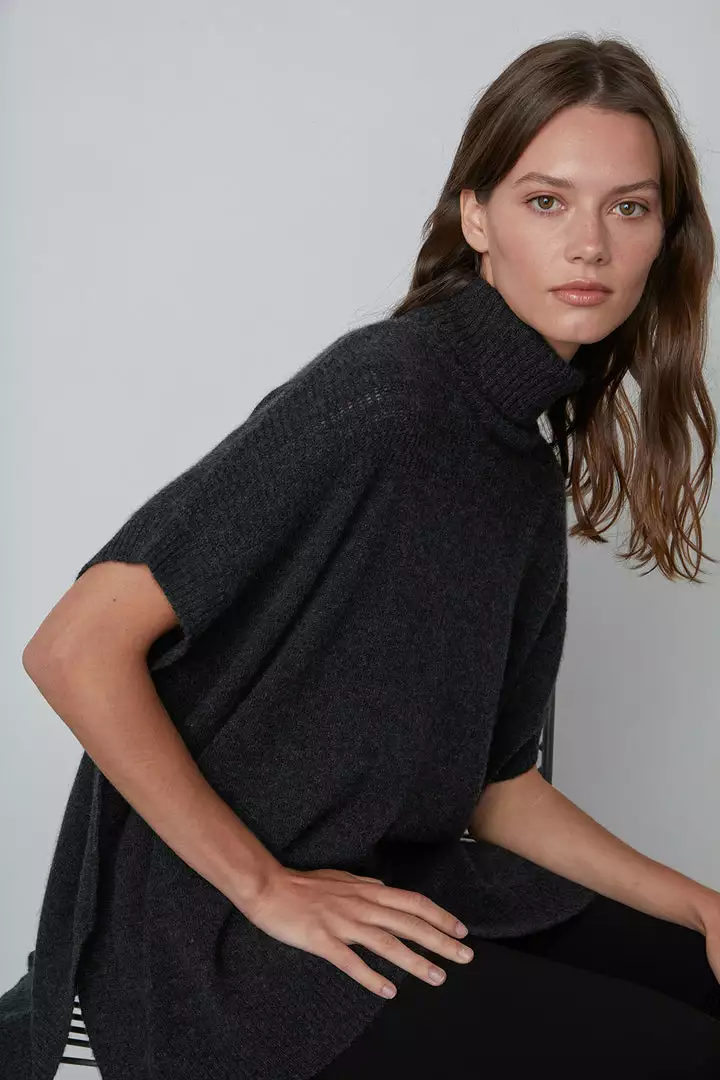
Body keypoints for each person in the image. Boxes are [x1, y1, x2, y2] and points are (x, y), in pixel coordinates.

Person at [2, 31, 719, 1080]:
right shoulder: (386, 396)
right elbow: (73, 648)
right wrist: (265, 888)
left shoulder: (518, 460)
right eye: (546, 201)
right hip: (211, 940)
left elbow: (495, 786)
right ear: (477, 218)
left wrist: (698, 902)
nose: (591, 246)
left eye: (629, 207)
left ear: (664, 235)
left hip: (399, 882)